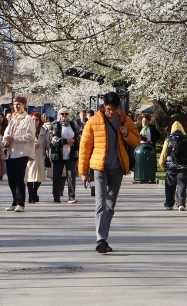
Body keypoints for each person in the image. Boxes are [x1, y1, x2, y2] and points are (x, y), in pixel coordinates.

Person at [79, 92, 141, 254]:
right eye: (108, 109)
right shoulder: (93, 122)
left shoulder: (125, 120)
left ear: (117, 108)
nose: (111, 112)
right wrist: (83, 172)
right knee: (100, 203)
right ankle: (100, 239)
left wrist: (126, 134)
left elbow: (137, 140)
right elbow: (85, 148)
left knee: (110, 205)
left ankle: (104, 239)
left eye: (113, 109)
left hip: (117, 167)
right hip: (99, 167)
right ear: (103, 107)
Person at [3, 96, 36, 212]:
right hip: (11, 153)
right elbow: (7, 134)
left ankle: (20, 203)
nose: (16, 107)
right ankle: (14, 201)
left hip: (21, 153)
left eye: (19, 104)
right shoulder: (12, 119)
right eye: (15, 104)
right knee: (11, 179)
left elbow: (31, 135)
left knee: (19, 178)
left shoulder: (28, 119)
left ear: (24, 105)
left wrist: (14, 138)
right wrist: (5, 142)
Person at [160, 121, 187, 210]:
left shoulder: (168, 139)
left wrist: (162, 164)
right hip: (185, 166)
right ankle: (181, 204)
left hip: (171, 166)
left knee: (170, 184)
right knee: (182, 184)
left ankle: (169, 204)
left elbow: (164, 153)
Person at [51, 107, 81, 203]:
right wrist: (65, 141)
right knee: (57, 176)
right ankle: (56, 196)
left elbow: (79, 136)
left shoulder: (73, 124)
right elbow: (53, 139)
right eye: (62, 114)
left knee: (71, 175)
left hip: (71, 154)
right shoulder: (55, 124)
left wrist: (75, 140)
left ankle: (71, 195)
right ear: (59, 115)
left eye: (66, 114)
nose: (64, 116)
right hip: (58, 154)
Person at [25, 112, 45, 203]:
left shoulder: (44, 130)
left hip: (40, 154)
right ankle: (31, 196)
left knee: (39, 176)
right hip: (30, 154)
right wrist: (32, 145)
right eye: (33, 119)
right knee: (29, 175)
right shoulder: (26, 129)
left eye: (36, 119)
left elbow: (47, 142)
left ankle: (34, 192)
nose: (35, 121)